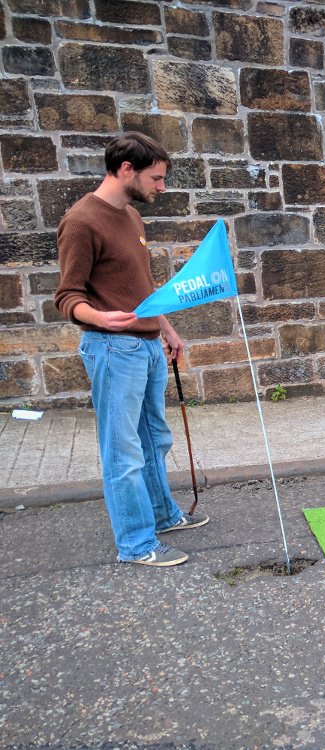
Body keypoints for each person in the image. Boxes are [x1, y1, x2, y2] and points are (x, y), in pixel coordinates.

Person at [54, 132, 208, 567]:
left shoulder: (131, 217)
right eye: (156, 179)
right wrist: (100, 317)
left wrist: (167, 328)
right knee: (123, 452)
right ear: (127, 170)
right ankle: (137, 545)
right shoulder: (81, 221)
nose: (162, 187)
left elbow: (142, 287)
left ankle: (162, 515)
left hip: (146, 347)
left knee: (154, 439)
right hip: (110, 348)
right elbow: (67, 295)